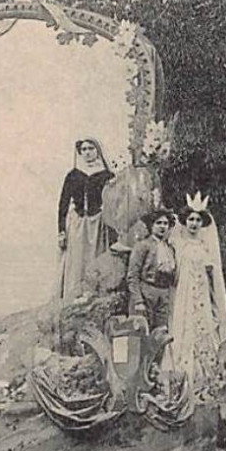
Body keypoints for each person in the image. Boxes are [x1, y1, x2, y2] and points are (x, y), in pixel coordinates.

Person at [168, 193, 226, 401]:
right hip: (183, 295)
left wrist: (215, 305)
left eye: (198, 220)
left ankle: (206, 380)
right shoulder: (177, 243)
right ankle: (184, 380)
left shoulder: (206, 247)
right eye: (191, 219)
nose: (194, 223)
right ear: (184, 222)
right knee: (184, 330)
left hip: (202, 295)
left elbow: (213, 277)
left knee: (204, 331)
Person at [57, 137, 115, 302]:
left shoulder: (107, 175)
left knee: (95, 259)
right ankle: (73, 298)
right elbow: (63, 204)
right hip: (78, 224)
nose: (87, 153)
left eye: (91, 148)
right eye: (84, 150)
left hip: (98, 224)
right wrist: (61, 231)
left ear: (97, 151)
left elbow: (114, 202)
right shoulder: (73, 175)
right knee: (76, 262)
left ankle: (93, 299)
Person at [127, 209, 177, 331]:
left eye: (165, 224)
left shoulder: (170, 248)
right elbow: (132, 275)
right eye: (158, 223)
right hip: (146, 293)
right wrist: (138, 301)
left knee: (161, 333)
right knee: (141, 332)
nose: (162, 227)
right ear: (151, 225)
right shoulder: (143, 246)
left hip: (164, 294)